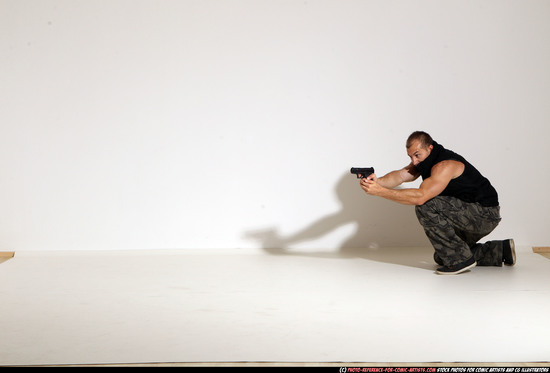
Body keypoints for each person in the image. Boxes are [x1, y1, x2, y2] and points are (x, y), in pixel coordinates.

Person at [359, 131, 515, 275]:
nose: (414, 161)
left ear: (430, 148)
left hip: (484, 214)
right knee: (443, 255)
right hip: (471, 213)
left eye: (417, 155)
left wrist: (380, 192)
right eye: (410, 156)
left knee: (426, 205)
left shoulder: (444, 165)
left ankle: (461, 261)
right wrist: (377, 182)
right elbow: (401, 176)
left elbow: (420, 197)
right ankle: (501, 250)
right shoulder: (425, 160)